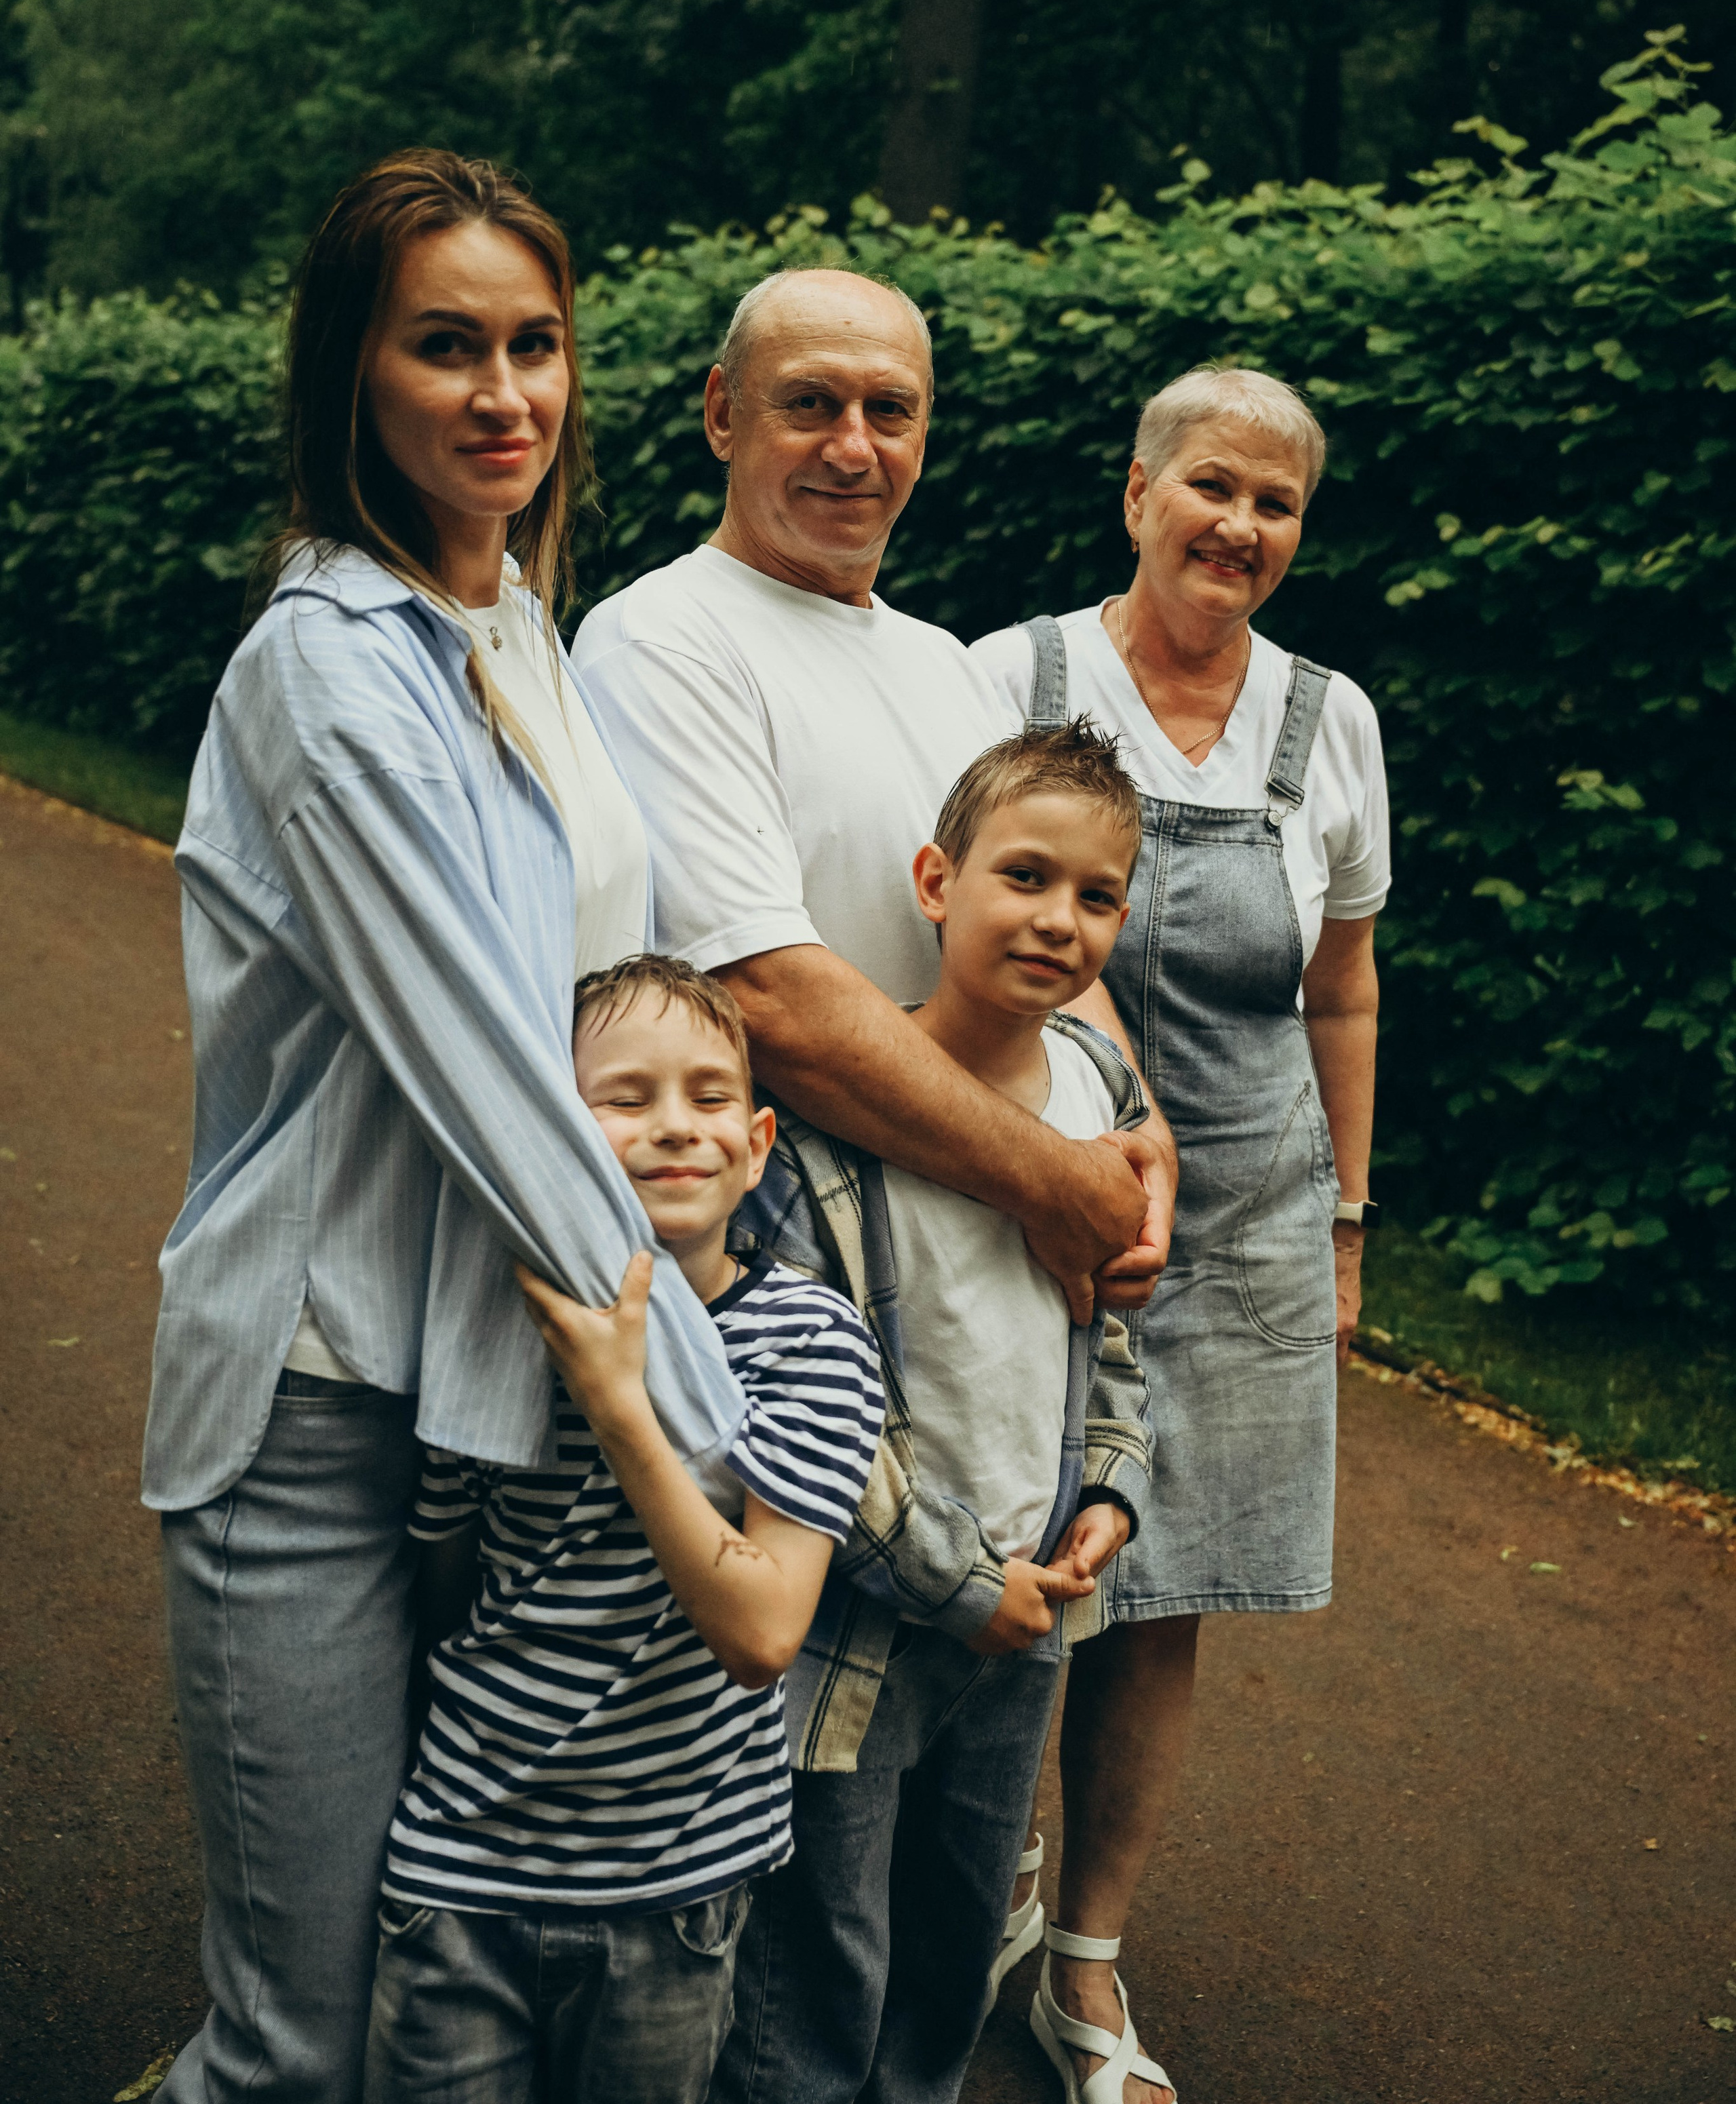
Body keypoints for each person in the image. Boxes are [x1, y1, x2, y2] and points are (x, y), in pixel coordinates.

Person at [146, 151, 747, 2104]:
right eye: (445, 348)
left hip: (498, 1430)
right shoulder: (329, 672)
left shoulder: (521, 640)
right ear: (352, 377)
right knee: (298, 2046)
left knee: (439, 2021)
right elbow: (492, 1070)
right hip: (319, 1425)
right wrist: (726, 1425)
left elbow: (623, 1019)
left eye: (537, 345)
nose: (503, 393)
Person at [972, 362, 1388, 2104]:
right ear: (1133, 490)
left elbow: (1342, 991)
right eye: (1208, 486)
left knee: (1163, 1597)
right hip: (1028, 1201)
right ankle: (965, 1903)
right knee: (997, 1571)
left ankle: (1082, 1966)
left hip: (1252, 1230)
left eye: (1274, 503)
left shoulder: (1330, 721)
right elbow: (949, 921)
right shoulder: (1016, 676)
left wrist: (1347, 1224)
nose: (1237, 526)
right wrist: (1071, 1151)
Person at [570, 267, 1176, 1340]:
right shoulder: (661, 638)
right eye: (809, 404)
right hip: (805, 1276)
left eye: (888, 410)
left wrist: (1134, 1124)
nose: (854, 448)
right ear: (723, 414)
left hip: (994, 1276)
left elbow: (1043, 907)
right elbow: (765, 995)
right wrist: (1060, 1180)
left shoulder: (947, 666)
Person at [713, 719, 1156, 2104]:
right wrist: (954, 1579)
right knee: (819, 1944)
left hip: (1025, 1614)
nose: (1057, 921)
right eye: (1021, 877)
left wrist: (1103, 1495)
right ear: (932, 881)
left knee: (958, 1927)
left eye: (1094, 896)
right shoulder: (848, 1132)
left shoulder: (1089, 1098)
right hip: (867, 1618)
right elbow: (801, 1412)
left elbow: (1109, 1342)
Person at [365, 955, 884, 2104]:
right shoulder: (493, 1318)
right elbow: (445, 1584)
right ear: (555, 1130)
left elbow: (761, 1632)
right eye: (625, 1097)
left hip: (676, 1885)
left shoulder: (810, 1343)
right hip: (463, 1862)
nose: (673, 1128)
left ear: (756, 1147)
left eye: (708, 1098)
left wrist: (619, 1405)